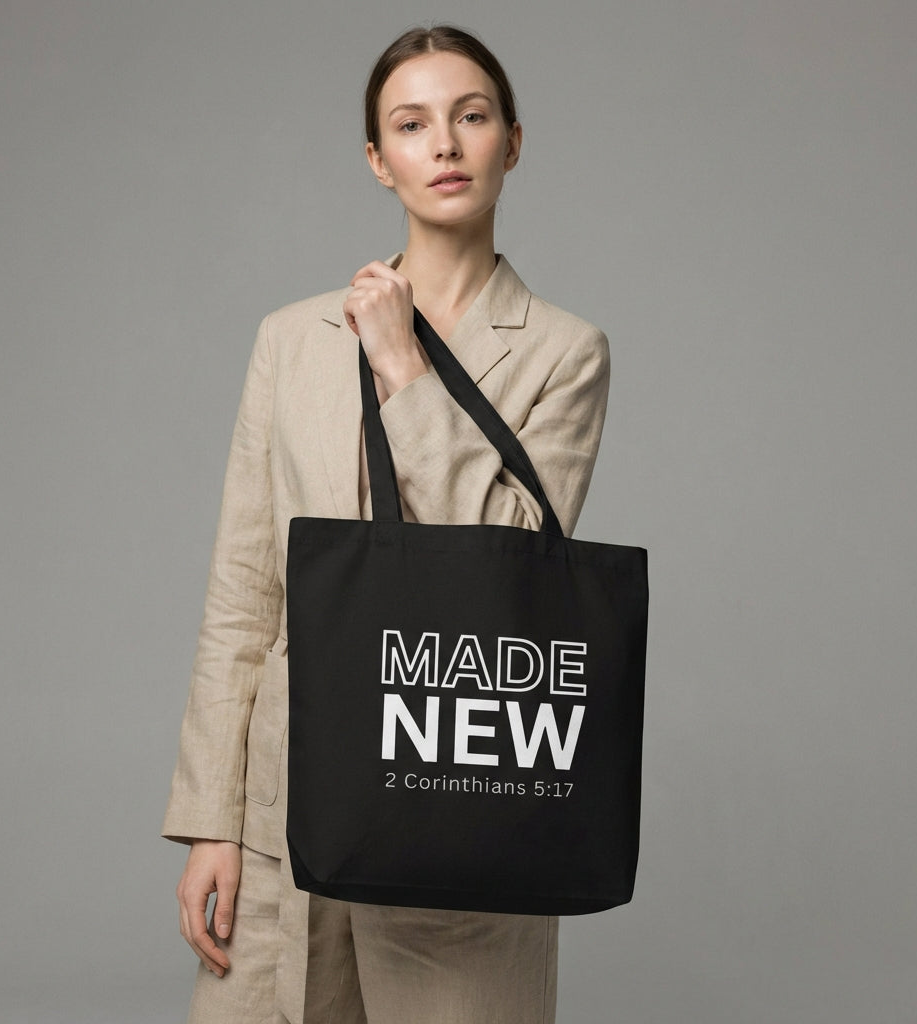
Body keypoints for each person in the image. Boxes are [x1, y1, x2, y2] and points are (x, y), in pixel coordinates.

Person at [163, 24, 610, 1024]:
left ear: (512, 141)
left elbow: (499, 561)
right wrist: (211, 824)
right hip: (286, 826)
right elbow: (244, 593)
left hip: (460, 811)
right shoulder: (291, 340)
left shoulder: (563, 353)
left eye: (471, 117)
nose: (444, 145)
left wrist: (404, 365)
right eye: (411, 125)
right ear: (378, 160)